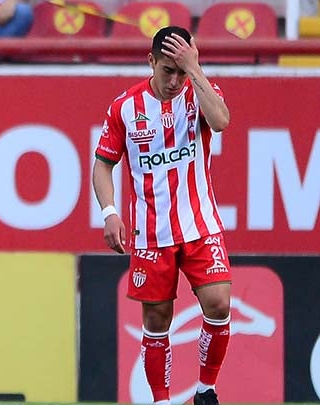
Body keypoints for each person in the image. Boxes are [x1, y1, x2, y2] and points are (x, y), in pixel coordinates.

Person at [93, 26, 231, 405]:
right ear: (150, 61)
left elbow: (221, 122)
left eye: (180, 71)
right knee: (157, 322)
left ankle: (206, 390)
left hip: (200, 223)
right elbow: (102, 166)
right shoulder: (125, 107)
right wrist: (109, 212)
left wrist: (196, 70)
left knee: (219, 303)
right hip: (152, 233)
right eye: (167, 70)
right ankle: (161, 401)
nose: (174, 80)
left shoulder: (199, 92)